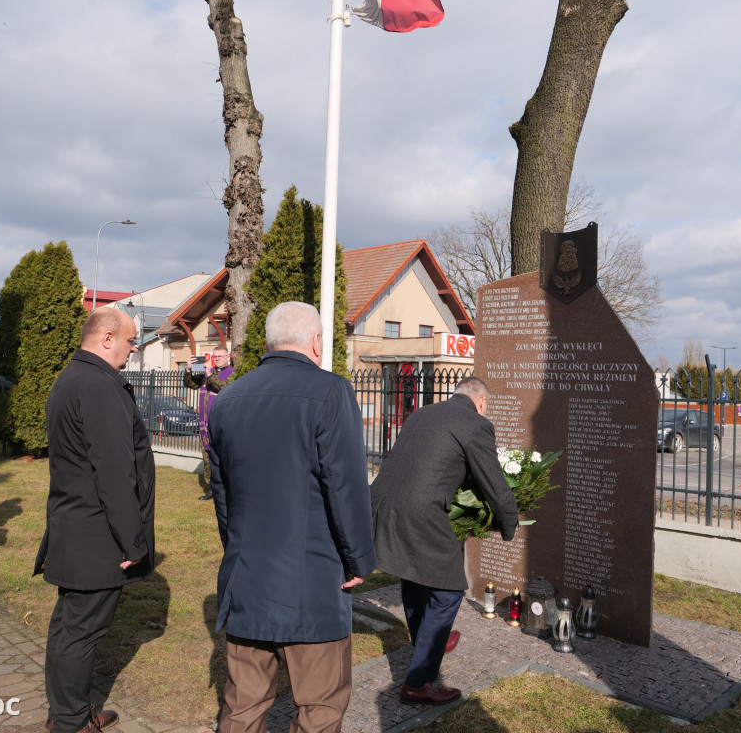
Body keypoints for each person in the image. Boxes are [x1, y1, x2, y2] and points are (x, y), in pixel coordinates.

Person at [208, 301, 375, 733]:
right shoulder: (331, 391)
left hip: (247, 580)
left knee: (243, 708)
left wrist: (240, 553)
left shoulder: (227, 400)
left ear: (269, 342)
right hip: (314, 586)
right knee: (319, 708)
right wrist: (359, 560)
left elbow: (222, 495)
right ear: (316, 342)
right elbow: (347, 486)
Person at [34, 308, 156, 733]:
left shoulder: (73, 377)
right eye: (129, 340)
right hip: (97, 532)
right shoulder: (99, 385)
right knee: (81, 631)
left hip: (75, 525)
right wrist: (132, 541)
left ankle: (65, 710)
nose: (133, 347)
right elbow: (114, 471)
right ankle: (69, 722)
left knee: (68, 627)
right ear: (106, 338)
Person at [370, 376, 518, 705]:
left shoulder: (423, 413)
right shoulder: (475, 423)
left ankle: (428, 640)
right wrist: (509, 524)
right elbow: (493, 481)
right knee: (449, 589)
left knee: (415, 575)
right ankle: (419, 682)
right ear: (481, 403)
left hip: (381, 501)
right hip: (420, 511)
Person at [184, 344, 233, 500]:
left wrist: (209, 374)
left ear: (228, 358)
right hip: (205, 424)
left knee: (223, 457)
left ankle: (227, 488)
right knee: (207, 457)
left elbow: (225, 387)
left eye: (220, 356)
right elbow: (191, 384)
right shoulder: (207, 374)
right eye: (215, 356)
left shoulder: (232, 374)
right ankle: (211, 489)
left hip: (222, 424)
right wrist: (188, 370)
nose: (217, 359)